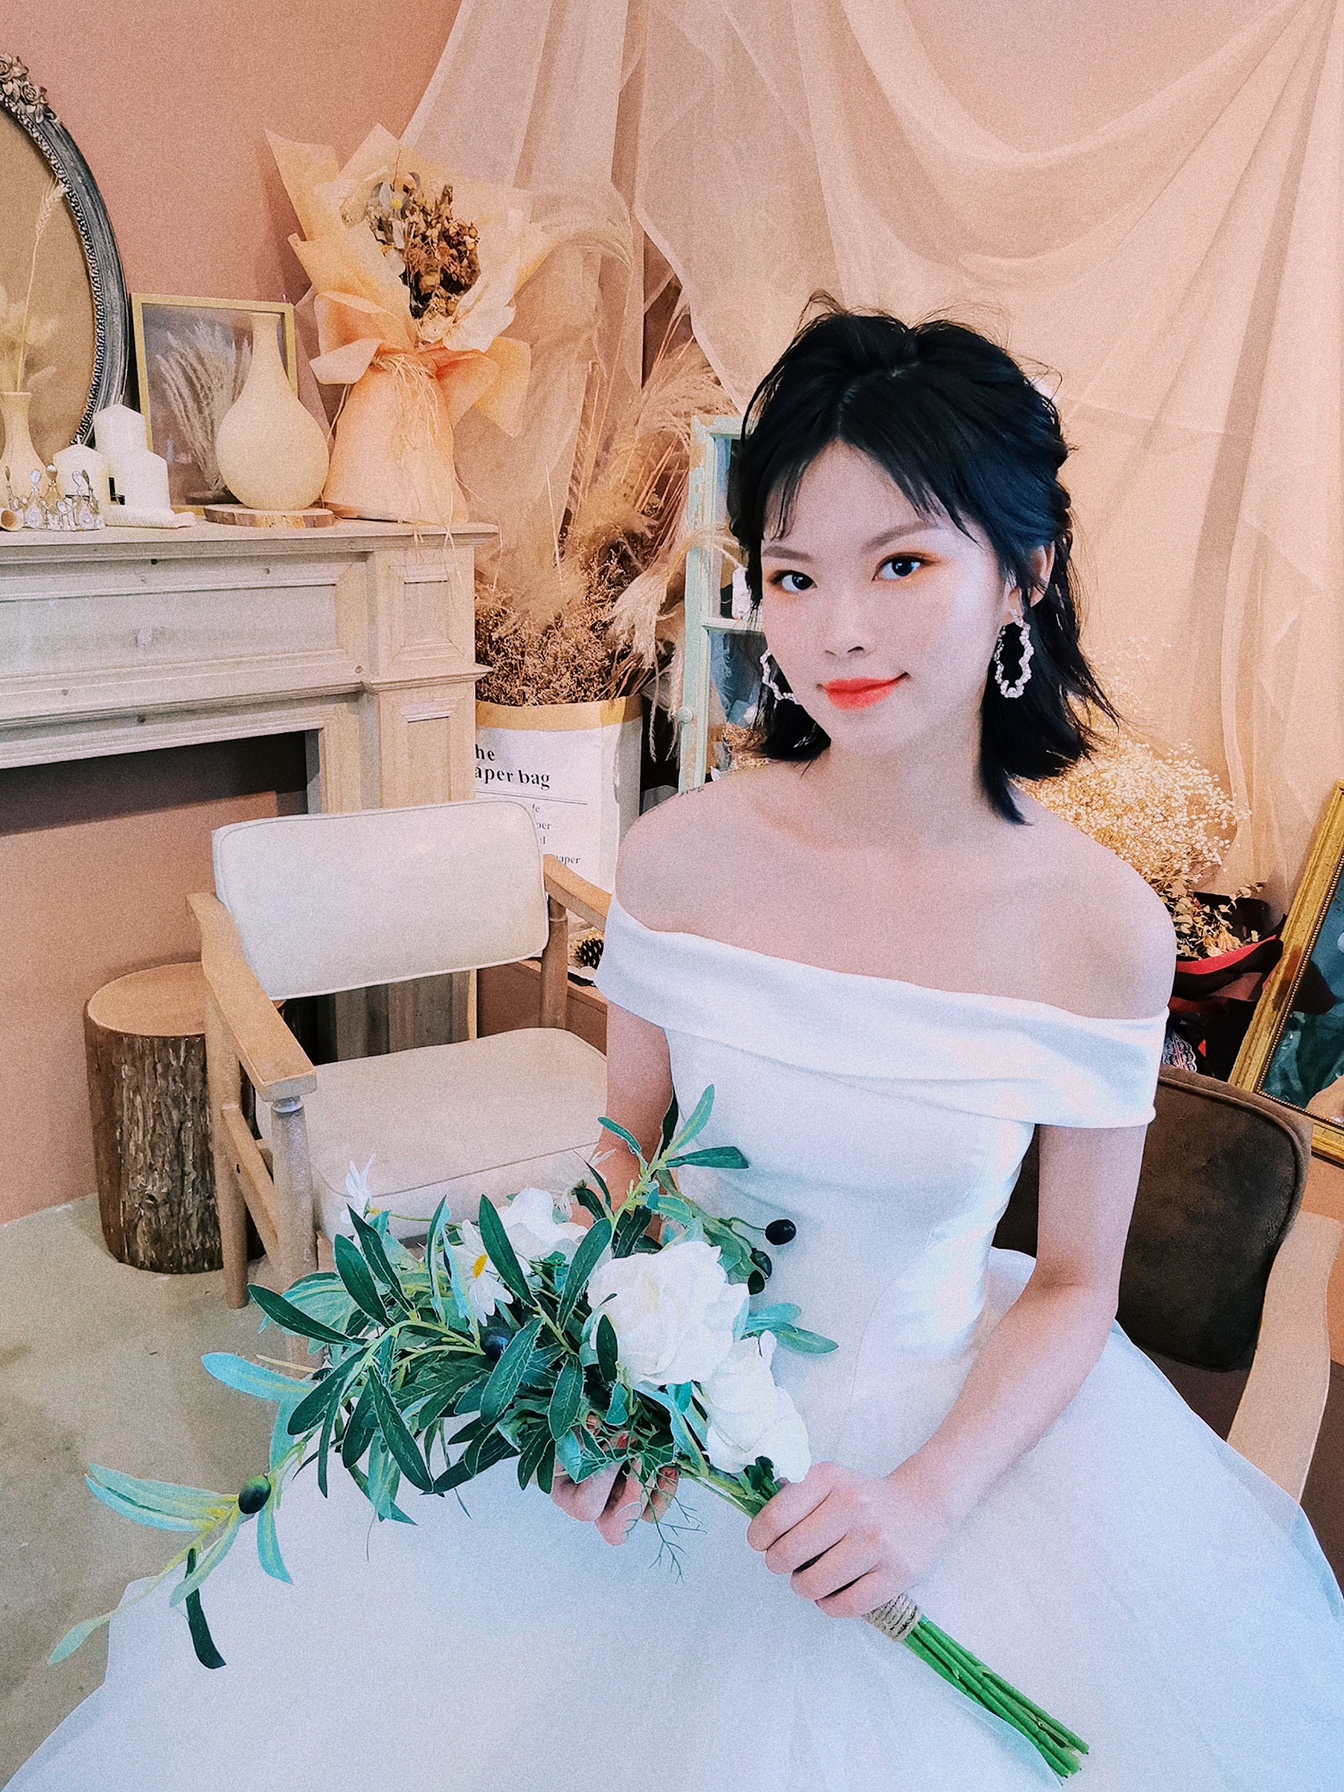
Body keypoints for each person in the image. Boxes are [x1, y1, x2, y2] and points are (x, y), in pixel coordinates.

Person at [14, 307, 1344, 1790]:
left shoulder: (1099, 930)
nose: (836, 630)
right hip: (666, 1417)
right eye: (794, 574)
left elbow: (1079, 1281)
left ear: (1024, 572)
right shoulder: (683, 857)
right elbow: (628, 1149)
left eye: (902, 563)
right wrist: (582, 1385)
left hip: (931, 1447)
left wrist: (924, 1502)